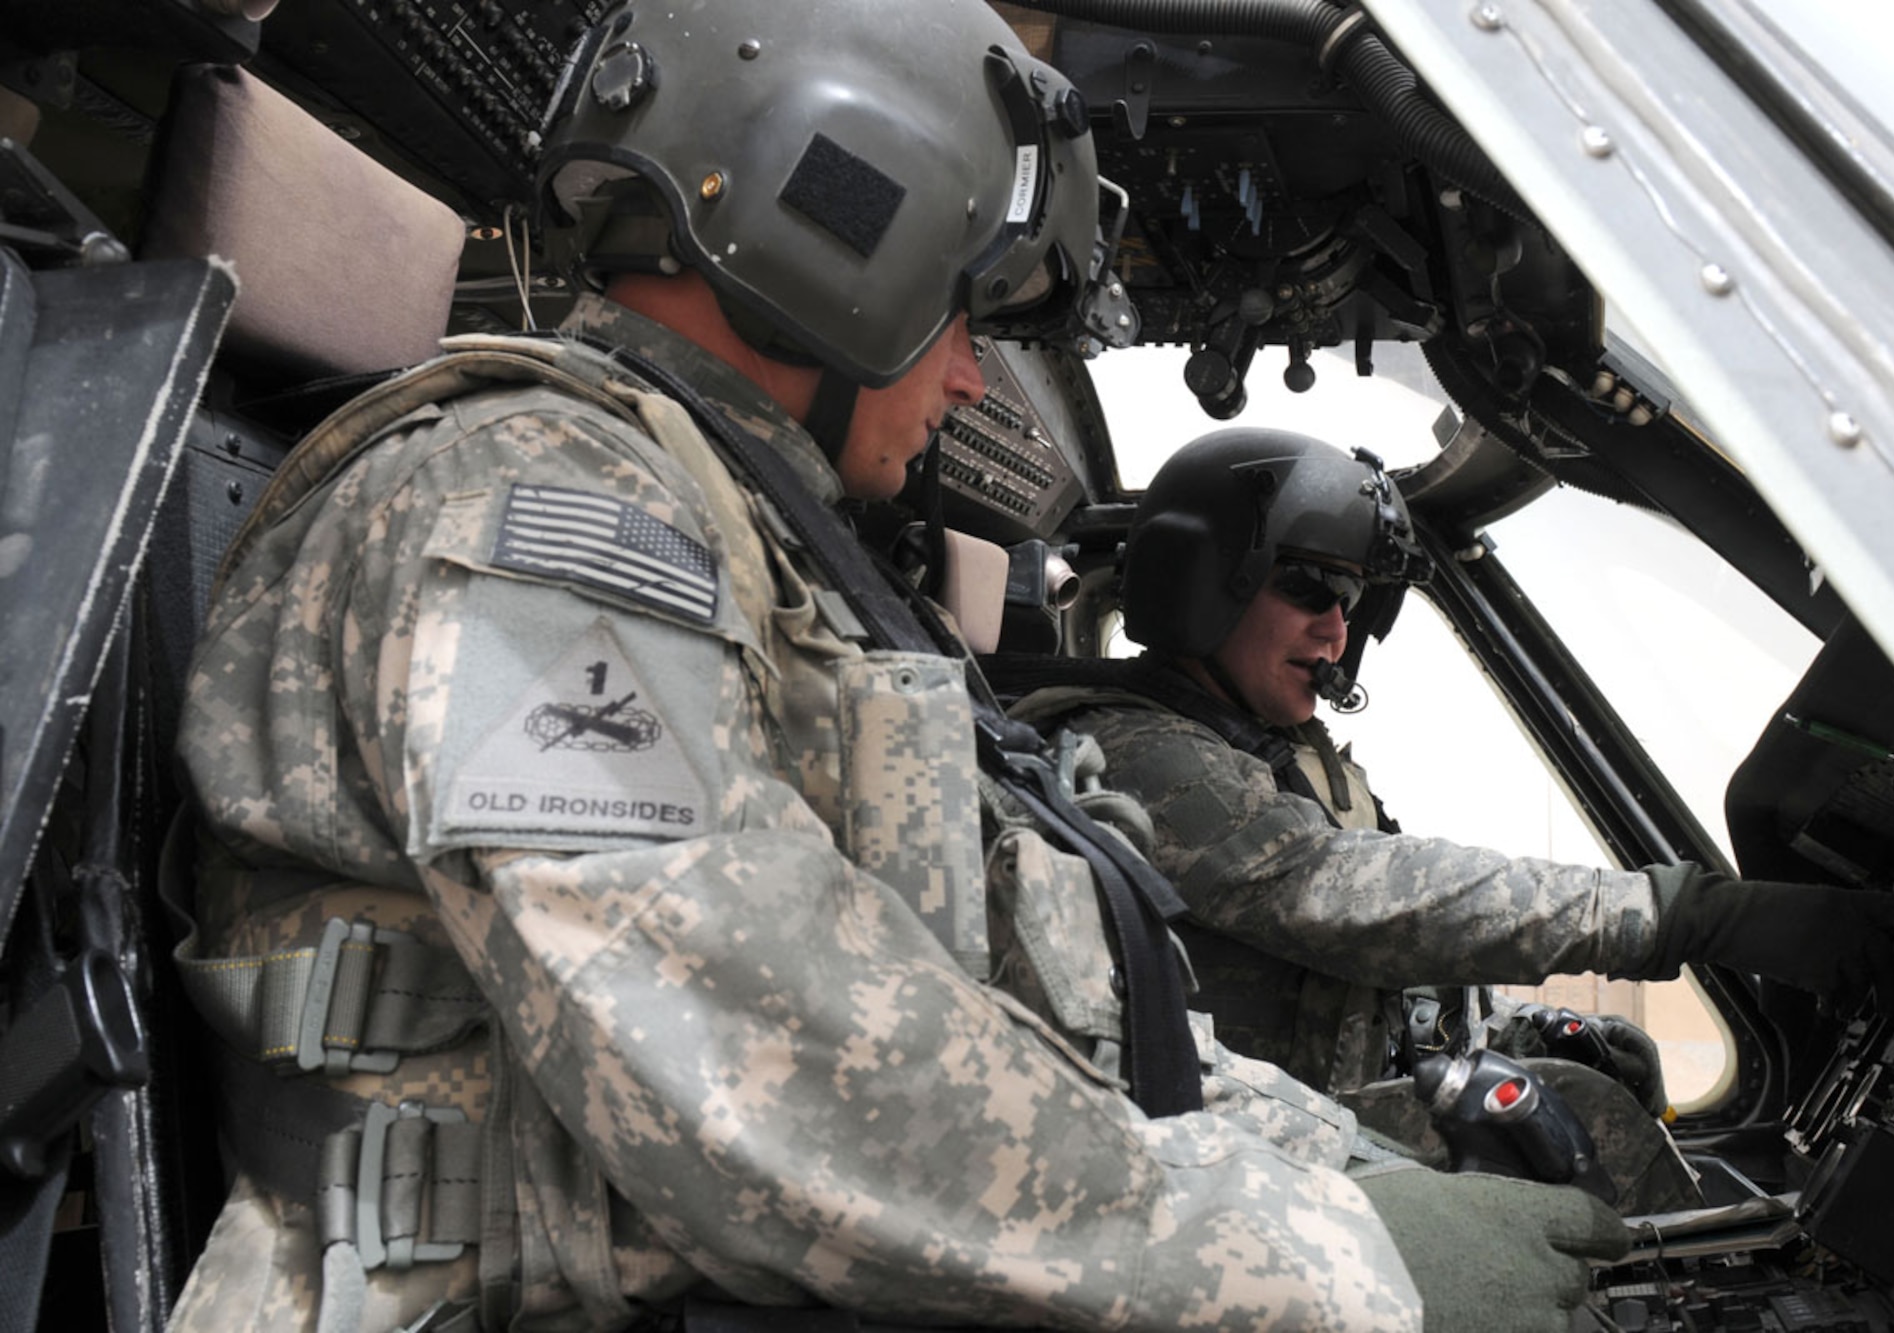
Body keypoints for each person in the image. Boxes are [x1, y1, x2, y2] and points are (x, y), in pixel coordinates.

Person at [164, 7, 1639, 1331]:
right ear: (836, 235)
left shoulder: (777, 568)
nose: (968, 380)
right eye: (964, 312)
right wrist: (1328, 1259)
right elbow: (761, 1055)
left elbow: (1062, 1027)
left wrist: (1359, 1172)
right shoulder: (526, 512)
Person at [1003, 427, 1894, 1201]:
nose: (1337, 629)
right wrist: (1694, 914)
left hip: (1313, 1130)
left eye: (1351, 598)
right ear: (1211, 580)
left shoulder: (1273, 754)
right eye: (1309, 588)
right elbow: (1355, 900)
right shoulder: (1137, 751)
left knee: (1586, 1086)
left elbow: (1361, 987)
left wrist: (1512, 1029)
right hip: (1238, 1173)